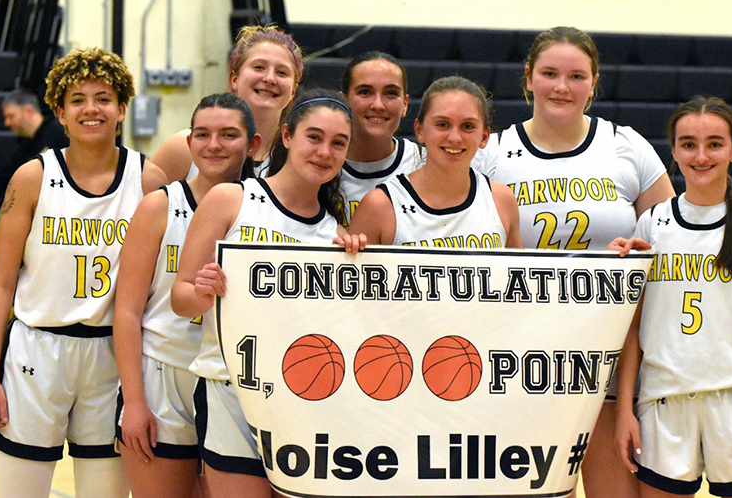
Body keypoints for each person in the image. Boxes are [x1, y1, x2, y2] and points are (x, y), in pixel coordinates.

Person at [490, 26, 676, 498]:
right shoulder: (491, 154)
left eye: (576, 76)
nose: (561, 87)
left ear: (594, 83)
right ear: (528, 77)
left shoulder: (625, 145)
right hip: (523, 352)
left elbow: (674, 239)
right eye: (549, 73)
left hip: (609, 349)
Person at [0, 47, 166, 498]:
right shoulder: (32, 177)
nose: (91, 108)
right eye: (77, 99)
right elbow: (0, 284)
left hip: (112, 356)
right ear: (59, 111)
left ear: (122, 108)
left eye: (103, 97)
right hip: (37, 351)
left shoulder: (149, 180)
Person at [170, 89, 361, 498]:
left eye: (338, 143)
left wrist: (358, 260)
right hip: (229, 391)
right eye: (314, 137)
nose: (325, 151)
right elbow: (181, 297)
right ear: (288, 136)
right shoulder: (232, 200)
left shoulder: (335, 236)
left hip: (303, 397)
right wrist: (204, 292)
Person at [113, 93, 260, 497]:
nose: (213, 145)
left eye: (228, 135)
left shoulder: (265, 209)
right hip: (164, 379)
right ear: (190, 141)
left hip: (232, 383)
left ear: (253, 145)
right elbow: (126, 312)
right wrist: (134, 402)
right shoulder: (161, 205)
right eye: (202, 134)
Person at [613, 96, 732, 497]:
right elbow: (634, 329)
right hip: (664, 401)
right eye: (688, 144)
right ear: (674, 152)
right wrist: (625, 408)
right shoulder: (653, 224)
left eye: (714, 143)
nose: (701, 155)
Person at [348, 75, 521, 249]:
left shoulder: (501, 200)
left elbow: (517, 274)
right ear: (419, 130)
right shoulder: (380, 206)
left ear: (484, 137)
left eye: (467, 126)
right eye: (442, 124)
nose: (454, 138)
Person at [151, 24, 302, 181]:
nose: (270, 78)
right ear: (234, 80)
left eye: (281, 72)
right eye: (259, 67)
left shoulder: (299, 157)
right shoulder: (182, 149)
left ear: (293, 90)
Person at [338, 51, 423, 225]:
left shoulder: (424, 163)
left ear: (405, 104)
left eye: (390, 93)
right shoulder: (319, 163)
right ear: (343, 101)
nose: (378, 105)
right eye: (365, 92)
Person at [0, 88, 70, 206]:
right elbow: (3, 178)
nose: (7, 123)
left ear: (29, 111)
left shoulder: (59, 131)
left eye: (11, 116)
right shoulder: (26, 147)